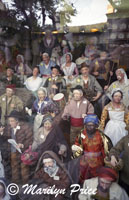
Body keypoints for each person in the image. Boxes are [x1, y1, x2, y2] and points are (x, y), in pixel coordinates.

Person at [72, 114, 107, 183]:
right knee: (85, 178)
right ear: (85, 125)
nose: (90, 127)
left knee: (96, 179)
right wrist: (77, 153)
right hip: (85, 161)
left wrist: (105, 160)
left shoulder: (101, 135)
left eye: (92, 125)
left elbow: (105, 149)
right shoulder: (82, 134)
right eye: (88, 125)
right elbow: (77, 145)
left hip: (97, 162)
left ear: (96, 125)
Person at [0, 110, 33, 184]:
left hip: (24, 152)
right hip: (13, 151)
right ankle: (16, 184)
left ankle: (25, 185)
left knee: (24, 169)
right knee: (14, 168)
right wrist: (1, 132)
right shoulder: (9, 127)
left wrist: (23, 144)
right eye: (9, 121)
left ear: (17, 121)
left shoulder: (25, 127)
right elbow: (5, 137)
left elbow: (30, 140)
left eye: (12, 121)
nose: (10, 123)